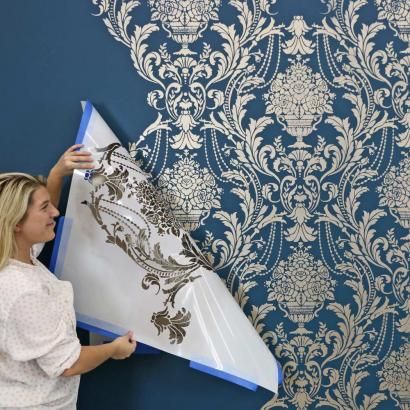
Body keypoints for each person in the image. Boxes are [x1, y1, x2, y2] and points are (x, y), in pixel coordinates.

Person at [0, 145, 137, 409]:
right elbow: (68, 363)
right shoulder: (21, 290)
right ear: (17, 223)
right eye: (45, 208)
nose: (56, 212)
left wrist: (56, 175)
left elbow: (32, 232)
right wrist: (114, 349)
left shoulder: (16, 255)